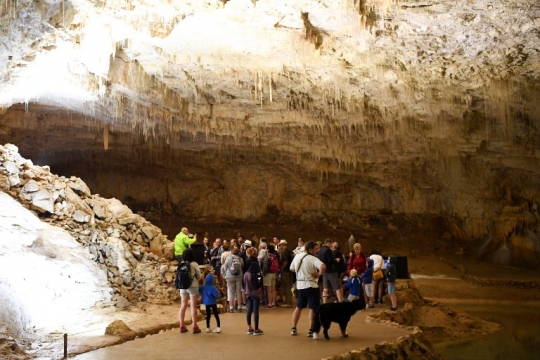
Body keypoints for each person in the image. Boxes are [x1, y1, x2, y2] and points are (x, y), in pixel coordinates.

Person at [290, 241, 326, 337]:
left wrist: (301, 271)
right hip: (311, 285)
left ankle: (293, 328)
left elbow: (291, 268)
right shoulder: (313, 259)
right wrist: (319, 274)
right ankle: (310, 329)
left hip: (300, 286)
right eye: (315, 249)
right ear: (310, 249)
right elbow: (323, 266)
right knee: (312, 309)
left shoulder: (297, 256)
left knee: (298, 307)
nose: (317, 251)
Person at [179, 248, 202, 334]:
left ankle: (182, 325)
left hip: (182, 286)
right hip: (193, 286)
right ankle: (195, 326)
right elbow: (199, 277)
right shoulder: (194, 264)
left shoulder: (181, 264)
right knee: (193, 306)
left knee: (183, 305)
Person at [317, 238, 343, 303]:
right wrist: (336, 260)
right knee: (337, 287)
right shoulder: (327, 250)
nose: (331, 245)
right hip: (330, 271)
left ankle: (324, 302)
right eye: (331, 244)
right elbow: (330, 260)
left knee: (325, 288)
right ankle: (340, 302)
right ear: (328, 243)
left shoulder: (320, 251)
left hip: (324, 271)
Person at [244, 257, 263, 335]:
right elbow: (256, 286)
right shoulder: (254, 275)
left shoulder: (246, 274)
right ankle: (256, 329)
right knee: (256, 311)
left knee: (249, 311)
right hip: (255, 294)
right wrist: (260, 279)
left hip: (248, 294)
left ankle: (249, 327)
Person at [221, 247, 244, 313]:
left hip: (230, 277)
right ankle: (239, 307)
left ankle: (231, 307)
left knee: (231, 292)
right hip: (239, 276)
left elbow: (225, 267)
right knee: (238, 291)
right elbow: (242, 267)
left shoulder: (228, 258)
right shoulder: (240, 259)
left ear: (231, 251)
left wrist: (227, 273)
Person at [261, 244, 278, 308]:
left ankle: (269, 303)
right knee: (273, 289)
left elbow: (265, 267)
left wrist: (263, 273)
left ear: (268, 250)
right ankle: (274, 303)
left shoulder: (267, 257)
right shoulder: (275, 256)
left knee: (269, 290)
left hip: (268, 274)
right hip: (274, 273)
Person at [278, 239, 294, 307]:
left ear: (282, 245)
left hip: (286, 271)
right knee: (288, 286)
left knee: (286, 287)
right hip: (290, 271)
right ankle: (288, 300)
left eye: (280, 245)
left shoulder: (284, 252)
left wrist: (282, 268)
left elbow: (285, 262)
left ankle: (288, 302)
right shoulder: (290, 251)